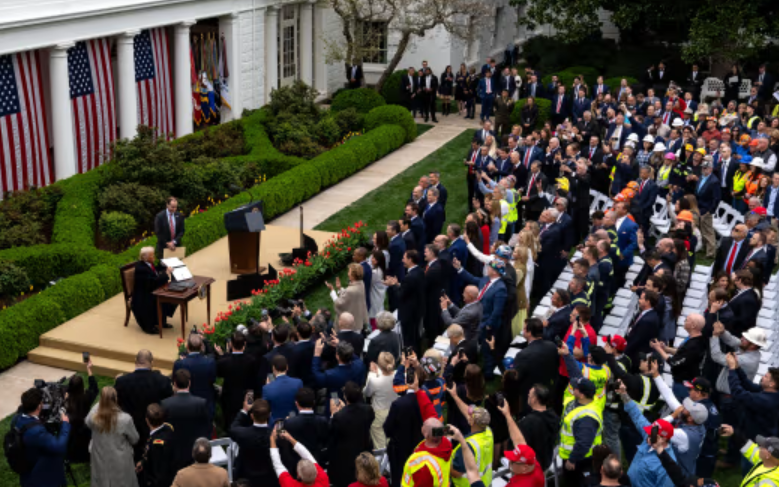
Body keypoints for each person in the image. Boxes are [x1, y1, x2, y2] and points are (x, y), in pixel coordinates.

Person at [616, 380, 678, 487]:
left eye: (653, 435)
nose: (648, 436)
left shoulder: (668, 466)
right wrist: (624, 394)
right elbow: (637, 416)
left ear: (663, 439)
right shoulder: (649, 437)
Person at [115, 349, 173, 462]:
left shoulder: (122, 382)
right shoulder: (163, 381)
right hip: (155, 428)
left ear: (135, 361)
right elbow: (169, 403)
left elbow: (118, 404)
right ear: (151, 362)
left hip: (132, 429)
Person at [12, 387, 71, 487]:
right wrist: (65, 424)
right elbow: (59, 447)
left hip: (27, 470)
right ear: (39, 406)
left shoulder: (17, 418)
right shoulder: (37, 432)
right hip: (42, 476)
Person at [86, 386, 139, 487]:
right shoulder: (125, 419)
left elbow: (88, 419)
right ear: (115, 399)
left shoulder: (93, 418)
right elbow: (134, 439)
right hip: (120, 457)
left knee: (101, 480)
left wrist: (102, 402)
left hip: (100, 456)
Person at [161, 369, 211, 473]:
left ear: (174, 384)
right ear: (190, 383)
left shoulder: (165, 404)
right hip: (196, 452)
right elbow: (207, 428)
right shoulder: (201, 403)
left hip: (173, 454)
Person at [650, 313, 707, 400]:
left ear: (693, 325)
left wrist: (659, 349)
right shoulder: (695, 339)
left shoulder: (694, 345)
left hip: (683, 385)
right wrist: (665, 348)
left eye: (687, 320)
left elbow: (674, 362)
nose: (684, 321)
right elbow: (681, 353)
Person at [329, 381, 375, 487]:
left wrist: (333, 414)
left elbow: (331, 432)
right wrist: (345, 409)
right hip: (364, 453)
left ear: (345, 397)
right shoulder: (368, 410)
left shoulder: (338, 417)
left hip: (345, 460)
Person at [559, 377, 603, 486]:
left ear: (582, 395)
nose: (573, 389)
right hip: (578, 458)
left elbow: (584, 443)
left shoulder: (586, 418)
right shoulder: (589, 400)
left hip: (580, 460)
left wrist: (572, 459)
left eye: (576, 388)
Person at [511, 318, 559, 415]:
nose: (523, 331)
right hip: (548, 390)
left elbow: (515, 379)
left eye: (524, 329)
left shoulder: (523, 355)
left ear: (529, 333)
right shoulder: (552, 346)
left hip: (529, 396)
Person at [277, 388, 330, 472]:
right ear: (313, 403)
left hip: (297, 466)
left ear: (296, 404)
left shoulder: (289, 423)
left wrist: (282, 422)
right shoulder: (322, 421)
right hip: (317, 463)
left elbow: (280, 438)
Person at [214, 331, 258, 431]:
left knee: (230, 422)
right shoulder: (251, 360)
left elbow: (219, 372)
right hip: (246, 397)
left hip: (229, 398)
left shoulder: (224, 361)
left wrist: (223, 354)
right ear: (245, 344)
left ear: (231, 344)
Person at [231, 397, 278, 487]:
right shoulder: (275, 435)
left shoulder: (243, 434)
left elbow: (233, 428)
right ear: (269, 415)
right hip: (270, 480)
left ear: (252, 416)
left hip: (247, 478)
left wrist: (244, 410)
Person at [384, 250, 425, 353]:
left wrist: (393, 285)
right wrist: (398, 285)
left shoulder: (410, 277)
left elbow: (400, 296)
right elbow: (409, 290)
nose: (402, 260)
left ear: (410, 260)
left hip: (408, 313)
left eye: (404, 258)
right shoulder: (419, 271)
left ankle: (410, 358)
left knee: (409, 340)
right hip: (416, 310)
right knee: (415, 336)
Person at [131, 246, 176, 334]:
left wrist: (164, 266)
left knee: (173, 297)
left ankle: (161, 321)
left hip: (151, 290)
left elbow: (155, 271)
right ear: (145, 257)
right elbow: (153, 282)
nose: (154, 257)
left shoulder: (148, 264)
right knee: (165, 298)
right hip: (144, 296)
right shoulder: (141, 269)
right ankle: (150, 327)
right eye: (152, 256)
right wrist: (166, 273)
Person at [173, 333, 217, 422]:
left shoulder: (179, 364)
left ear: (187, 347)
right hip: (205, 403)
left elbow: (174, 383)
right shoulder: (210, 362)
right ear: (201, 347)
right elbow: (213, 379)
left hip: (185, 405)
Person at [312, 340, 366, 411]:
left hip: (336, 398)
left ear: (337, 356)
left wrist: (317, 355)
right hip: (355, 399)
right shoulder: (359, 365)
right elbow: (356, 358)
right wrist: (344, 348)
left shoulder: (331, 374)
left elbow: (317, 376)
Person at [400, 417, 454, 487]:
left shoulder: (423, 465)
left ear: (426, 435)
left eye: (424, 425)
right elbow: (449, 431)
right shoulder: (446, 444)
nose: (422, 425)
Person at [448, 406, 494, 487]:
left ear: (472, 422)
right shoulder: (488, 431)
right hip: (485, 482)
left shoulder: (468, 445)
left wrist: (446, 464)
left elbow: (457, 473)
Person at [64, 358, 98, 464]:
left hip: (71, 433)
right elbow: (94, 389)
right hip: (85, 433)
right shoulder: (86, 397)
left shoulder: (66, 399)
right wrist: (89, 370)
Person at [364, 352, 399, 449]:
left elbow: (367, 393)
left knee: (380, 446)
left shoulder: (373, 379)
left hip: (379, 415)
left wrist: (371, 374)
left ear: (379, 365)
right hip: (395, 411)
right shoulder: (399, 376)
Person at [136, 404, 175, 487]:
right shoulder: (168, 428)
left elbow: (158, 472)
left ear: (147, 420)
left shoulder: (157, 443)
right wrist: (143, 462)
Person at [328, 264, 370, 332]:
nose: (348, 274)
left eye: (349, 272)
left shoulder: (351, 290)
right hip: (358, 320)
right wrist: (339, 288)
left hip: (350, 326)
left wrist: (332, 291)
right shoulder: (361, 284)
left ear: (353, 275)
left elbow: (339, 303)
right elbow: (349, 297)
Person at [264, 355, 304, 424]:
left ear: (273, 368)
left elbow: (265, 409)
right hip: (294, 422)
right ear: (287, 367)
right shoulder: (298, 383)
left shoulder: (266, 388)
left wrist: (268, 386)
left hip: (275, 425)